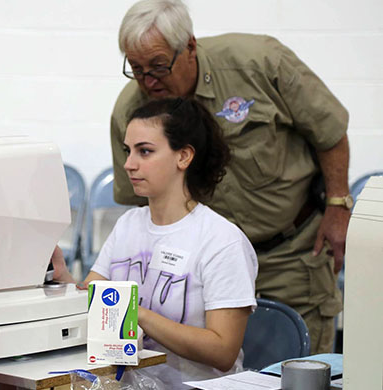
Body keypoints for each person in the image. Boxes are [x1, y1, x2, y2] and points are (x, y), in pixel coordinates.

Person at [109, 0, 348, 354]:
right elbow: (141, 209)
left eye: (159, 66)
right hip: (201, 272)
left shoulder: (259, 63)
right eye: (136, 68)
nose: (149, 81)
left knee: (299, 371)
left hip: (288, 253)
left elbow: (329, 132)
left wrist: (339, 205)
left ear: (189, 46)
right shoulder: (132, 111)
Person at [53, 98, 258, 389]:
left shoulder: (221, 240)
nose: (128, 164)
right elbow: (94, 301)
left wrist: (134, 312)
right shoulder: (128, 225)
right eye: (128, 151)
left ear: (184, 157)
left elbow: (222, 351)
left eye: (144, 151)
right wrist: (63, 278)